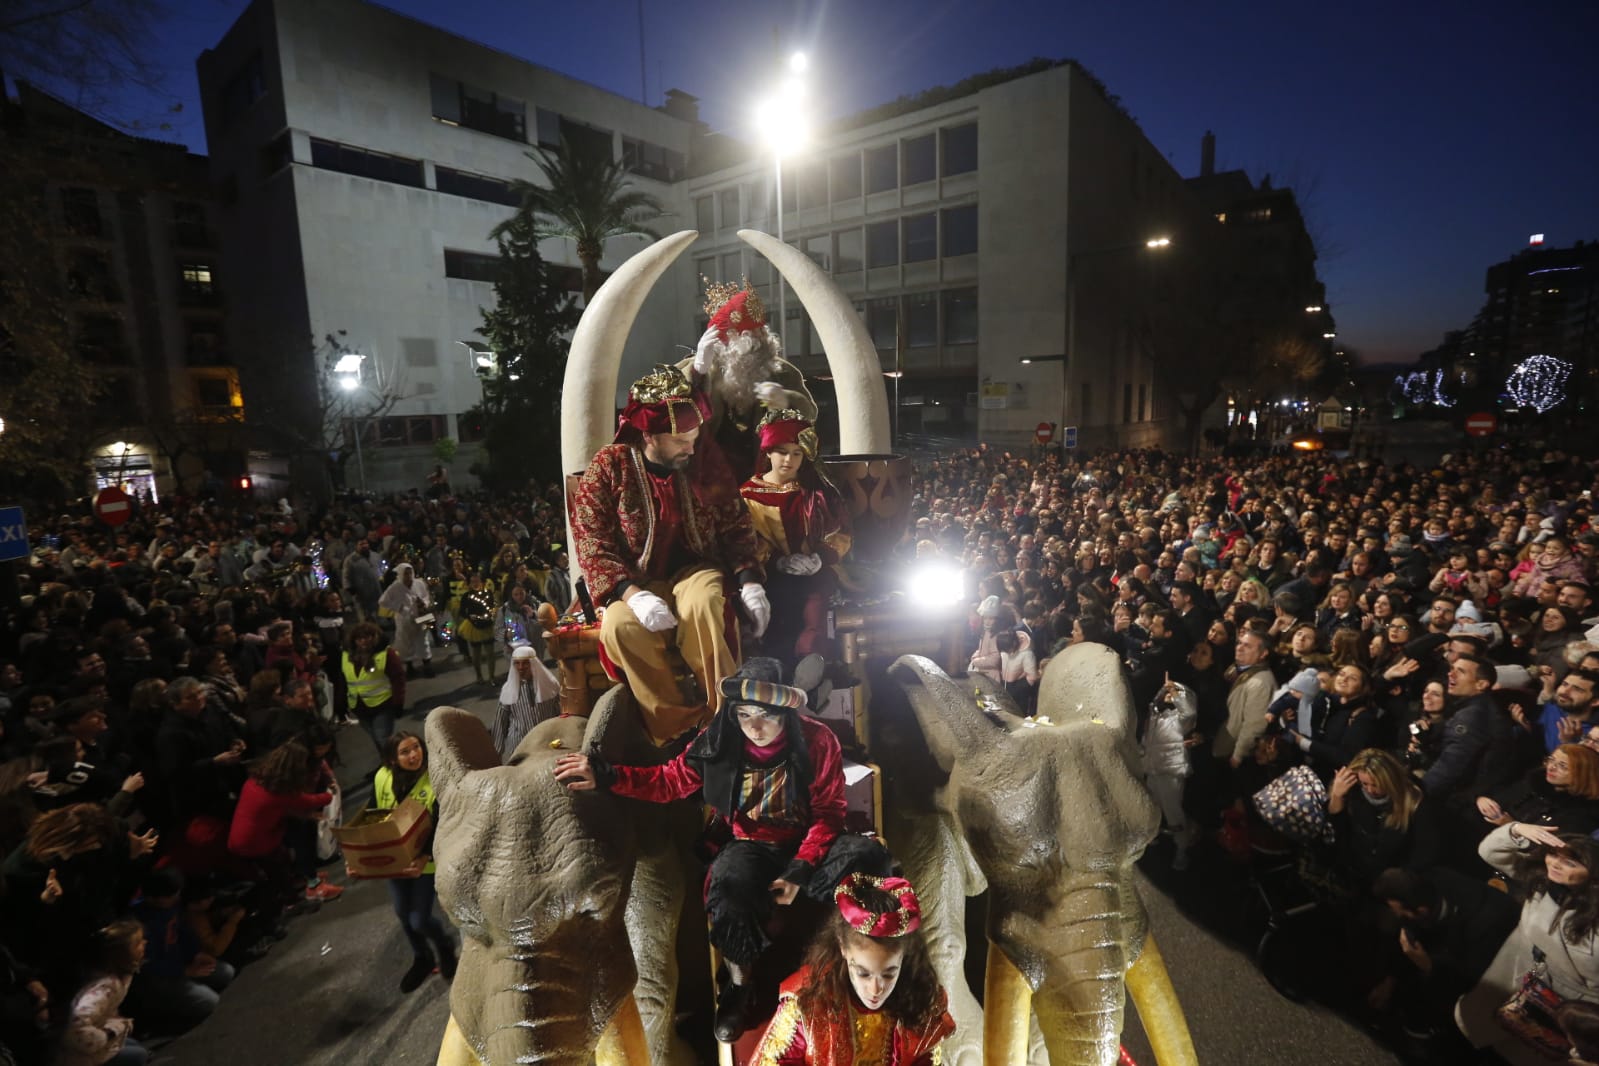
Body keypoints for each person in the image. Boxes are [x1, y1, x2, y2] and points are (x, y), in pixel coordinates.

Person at [553, 659, 892, 1041]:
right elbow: (671, 781)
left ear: (783, 711)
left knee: (869, 859)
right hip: (751, 843)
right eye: (745, 715)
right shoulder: (721, 738)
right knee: (727, 886)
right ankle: (741, 984)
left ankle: (858, 968)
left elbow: (829, 814)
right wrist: (606, 774)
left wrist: (799, 869)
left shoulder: (817, 740)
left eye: (764, 715)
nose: (754, 727)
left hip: (808, 844)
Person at [569, 364, 770, 743]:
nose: (691, 448)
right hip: (633, 583)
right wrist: (633, 594)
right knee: (621, 628)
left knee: (707, 604)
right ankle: (676, 730)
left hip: (696, 570)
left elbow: (736, 524)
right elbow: (592, 542)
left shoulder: (704, 463)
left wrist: (749, 580)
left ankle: (726, 716)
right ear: (650, 435)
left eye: (695, 438)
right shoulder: (608, 467)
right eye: (681, 441)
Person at [749, 873, 955, 1065]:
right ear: (843, 948)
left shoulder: (922, 1002)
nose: (875, 989)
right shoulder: (809, 1002)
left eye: (889, 973)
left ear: (904, 956)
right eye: (863, 973)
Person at [1456, 823, 1599, 1064]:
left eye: (1571, 863)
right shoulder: (1543, 882)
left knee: (1524, 1053)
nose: (1555, 864)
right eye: (1554, 854)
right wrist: (1516, 829)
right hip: (1513, 975)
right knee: (1479, 1036)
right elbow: (1490, 851)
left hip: (1560, 1004)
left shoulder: (1592, 916)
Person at [739, 409, 851, 666]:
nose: (789, 459)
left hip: (815, 571)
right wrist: (776, 561)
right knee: (779, 603)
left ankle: (813, 663)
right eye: (782, 451)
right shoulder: (748, 495)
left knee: (816, 598)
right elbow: (743, 539)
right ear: (768, 452)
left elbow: (841, 531)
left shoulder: (817, 492)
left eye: (797, 453)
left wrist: (820, 557)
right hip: (767, 574)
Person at [351, 731, 456, 993]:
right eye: (405, 752)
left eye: (416, 748)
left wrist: (424, 858)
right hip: (395, 861)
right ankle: (422, 957)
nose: (414, 755)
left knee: (419, 919)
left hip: (425, 863)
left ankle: (444, 946)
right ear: (392, 759)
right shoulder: (382, 777)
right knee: (402, 913)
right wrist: (360, 860)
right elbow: (374, 818)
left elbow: (444, 824)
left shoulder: (435, 778)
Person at [54, 919, 148, 1066]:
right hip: (79, 1052)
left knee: (133, 1045)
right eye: (138, 944)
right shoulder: (105, 988)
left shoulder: (123, 975)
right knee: (139, 1055)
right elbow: (75, 1027)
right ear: (122, 955)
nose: (145, 943)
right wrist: (109, 1032)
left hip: (98, 1029)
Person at [341, 621, 406, 755]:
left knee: (383, 739)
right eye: (359, 638)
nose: (363, 641)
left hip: (382, 705)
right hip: (359, 707)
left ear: (374, 636)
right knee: (377, 739)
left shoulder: (386, 654)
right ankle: (387, 765)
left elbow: (398, 679)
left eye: (367, 637)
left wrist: (398, 702)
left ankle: (397, 767)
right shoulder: (347, 656)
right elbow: (344, 679)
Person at [492, 645, 560, 761]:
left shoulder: (550, 685)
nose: (521, 667)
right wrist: (496, 751)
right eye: (517, 663)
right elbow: (500, 721)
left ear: (533, 664)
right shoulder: (509, 689)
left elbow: (560, 714)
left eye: (525, 663)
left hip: (546, 743)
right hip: (519, 746)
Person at [378, 562, 434, 679]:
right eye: (405, 574)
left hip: (421, 614)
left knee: (423, 639)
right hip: (404, 618)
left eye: (410, 573)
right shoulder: (395, 587)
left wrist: (424, 603)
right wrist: (399, 608)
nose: (408, 576)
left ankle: (427, 664)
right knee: (405, 641)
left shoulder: (419, 583)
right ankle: (410, 666)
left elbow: (426, 595)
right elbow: (382, 601)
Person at [454, 571, 498, 685]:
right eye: (472, 581)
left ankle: (492, 677)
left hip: (487, 624)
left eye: (477, 581)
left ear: (482, 582)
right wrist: (470, 616)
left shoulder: (488, 593)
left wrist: (492, 613)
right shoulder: (466, 596)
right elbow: (462, 612)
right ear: (468, 583)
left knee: (490, 653)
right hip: (473, 626)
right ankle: (479, 676)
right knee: (476, 653)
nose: (475, 583)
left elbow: (493, 606)